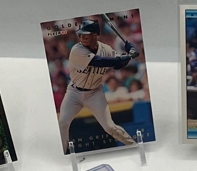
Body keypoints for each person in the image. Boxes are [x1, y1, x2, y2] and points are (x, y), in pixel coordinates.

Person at [57, 19, 139, 152]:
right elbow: (99, 61)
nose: (82, 37)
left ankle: (134, 147)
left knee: (110, 127)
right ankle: (62, 155)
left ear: (95, 35)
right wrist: (124, 57)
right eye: (81, 34)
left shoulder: (106, 49)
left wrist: (129, 55)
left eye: (86, 34)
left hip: (94, 93)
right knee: (62, 123)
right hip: (74, 93)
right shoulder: (77, 50)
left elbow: (117, 65)